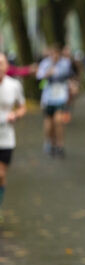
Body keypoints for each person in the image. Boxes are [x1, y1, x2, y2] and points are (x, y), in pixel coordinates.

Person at [0, 53, 27, 213]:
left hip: (6, 137)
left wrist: (15, 114)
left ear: (7, 66)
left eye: (2, 63)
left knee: (1, 175)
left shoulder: (14, 85)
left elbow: (22, 107)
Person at [36, 44, 72, 158]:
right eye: (52, 53)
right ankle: (49, 142)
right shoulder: (45, 63)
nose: (54, 56)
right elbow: (39, 76)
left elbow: (65, 74)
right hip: (48, 97)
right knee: (49, 121)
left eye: (57, 53)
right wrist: (48, 73)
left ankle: (59, 144)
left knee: (58, 120)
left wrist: (54, 73)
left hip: (60, 96)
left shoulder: (65, 63)